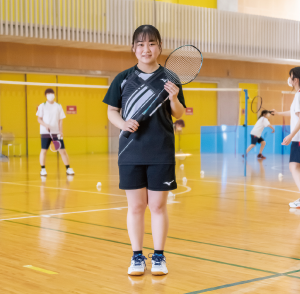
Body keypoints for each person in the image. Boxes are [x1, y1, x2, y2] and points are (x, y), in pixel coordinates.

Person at [103, 25, 186, 276]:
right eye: (140, 44)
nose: (146, 49)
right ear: (133, 48)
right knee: (136, 207)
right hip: (130, 152)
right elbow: (111, 111)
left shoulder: (171, 78)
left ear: (160, 47)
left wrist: (173, 98)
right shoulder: (123, 78)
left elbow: (179, 113)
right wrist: (123, 123)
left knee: (158, 206)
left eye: (151, 43)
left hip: (161, 151)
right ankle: (137, 256)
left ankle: (159, 257)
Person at [273, 67, 300, 208]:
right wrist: (277, 113)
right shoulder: (298, 96)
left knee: (293, 166)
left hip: (298, 138)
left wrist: (291, 135)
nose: (288, 79)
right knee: (295, 166)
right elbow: (293, 113)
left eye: (290, 77)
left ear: (295, 79)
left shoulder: (299, 95)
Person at [36, 88, 75, 176]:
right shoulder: (42, 106)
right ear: (45, 96)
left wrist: (61, 131)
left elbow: (61, 120)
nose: (50, 95)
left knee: (62, 151)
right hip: (45, 132)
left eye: (52, 93)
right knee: (44, 150)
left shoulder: (58, 106)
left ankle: (68, 168)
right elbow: (39, 119)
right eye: (48, 93)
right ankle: (43, 169)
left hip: (56, 133)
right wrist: (45, 125)